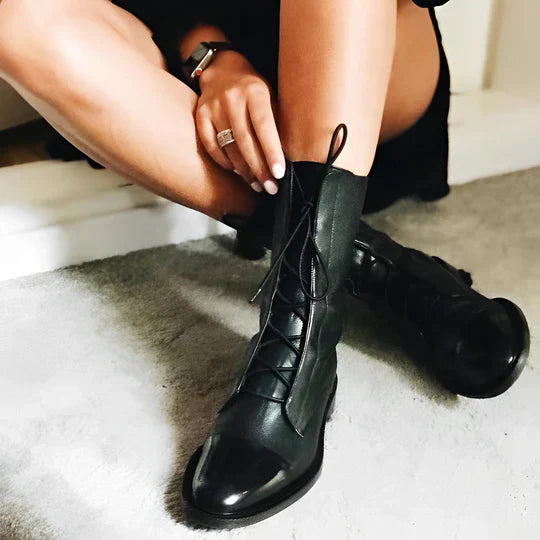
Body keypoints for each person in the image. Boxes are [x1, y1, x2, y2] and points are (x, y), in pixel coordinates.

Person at [0, 0, 529, 529]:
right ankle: (374, 265)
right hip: (203, 90)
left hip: (360, 56)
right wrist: (210, 55)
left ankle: (300, 329)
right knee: (16, 19)